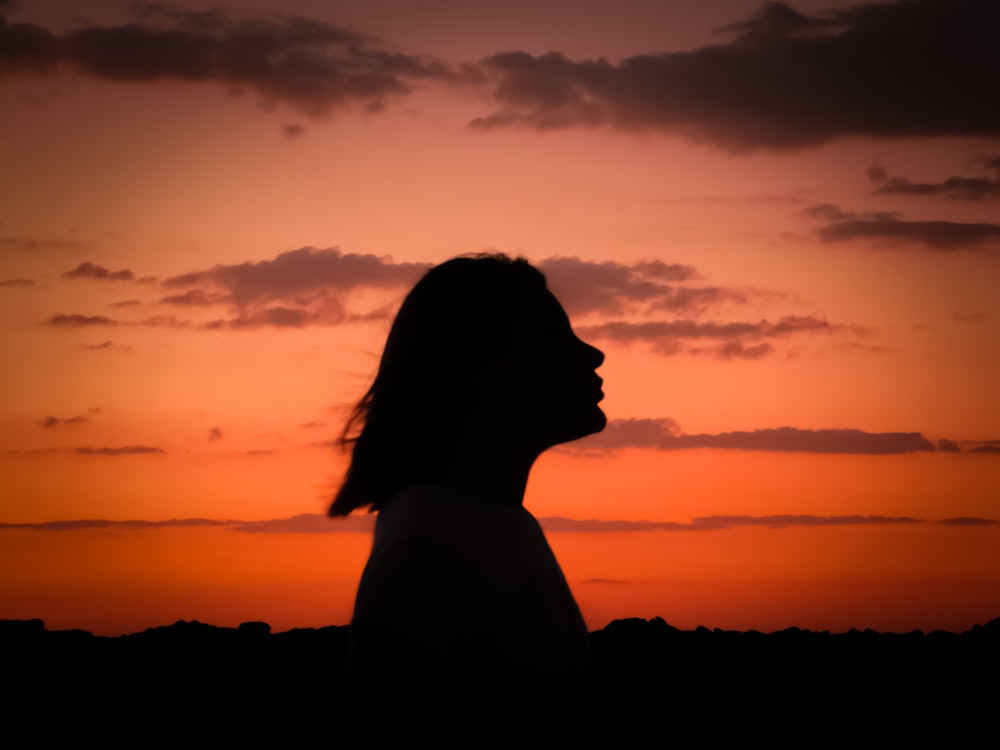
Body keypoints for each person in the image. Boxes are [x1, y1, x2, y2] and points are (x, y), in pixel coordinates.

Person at [330, 254, 605, 747]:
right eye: (554, 339)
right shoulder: (427, 560)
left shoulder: (498, 521)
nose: (592, 355)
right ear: (478, 369)